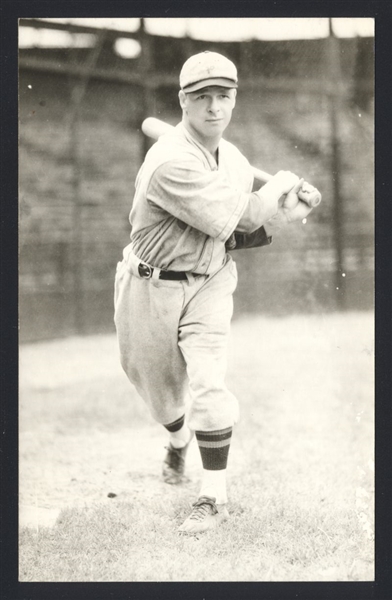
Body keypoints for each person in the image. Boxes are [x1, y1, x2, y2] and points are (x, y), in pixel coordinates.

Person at [114, 51, 320, 533]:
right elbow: (245, 215)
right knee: (160, 396)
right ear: (182, 102)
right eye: (201, 97)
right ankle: (179, 437)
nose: (213, 108)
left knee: (209, 383)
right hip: (150, 284)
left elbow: (236, 232)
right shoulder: (168, 162)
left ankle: (212, 496)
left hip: (209, 280)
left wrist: (281, 212)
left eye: (222, 96)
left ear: (234, 101)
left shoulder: (233, 160)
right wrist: (283, 186)